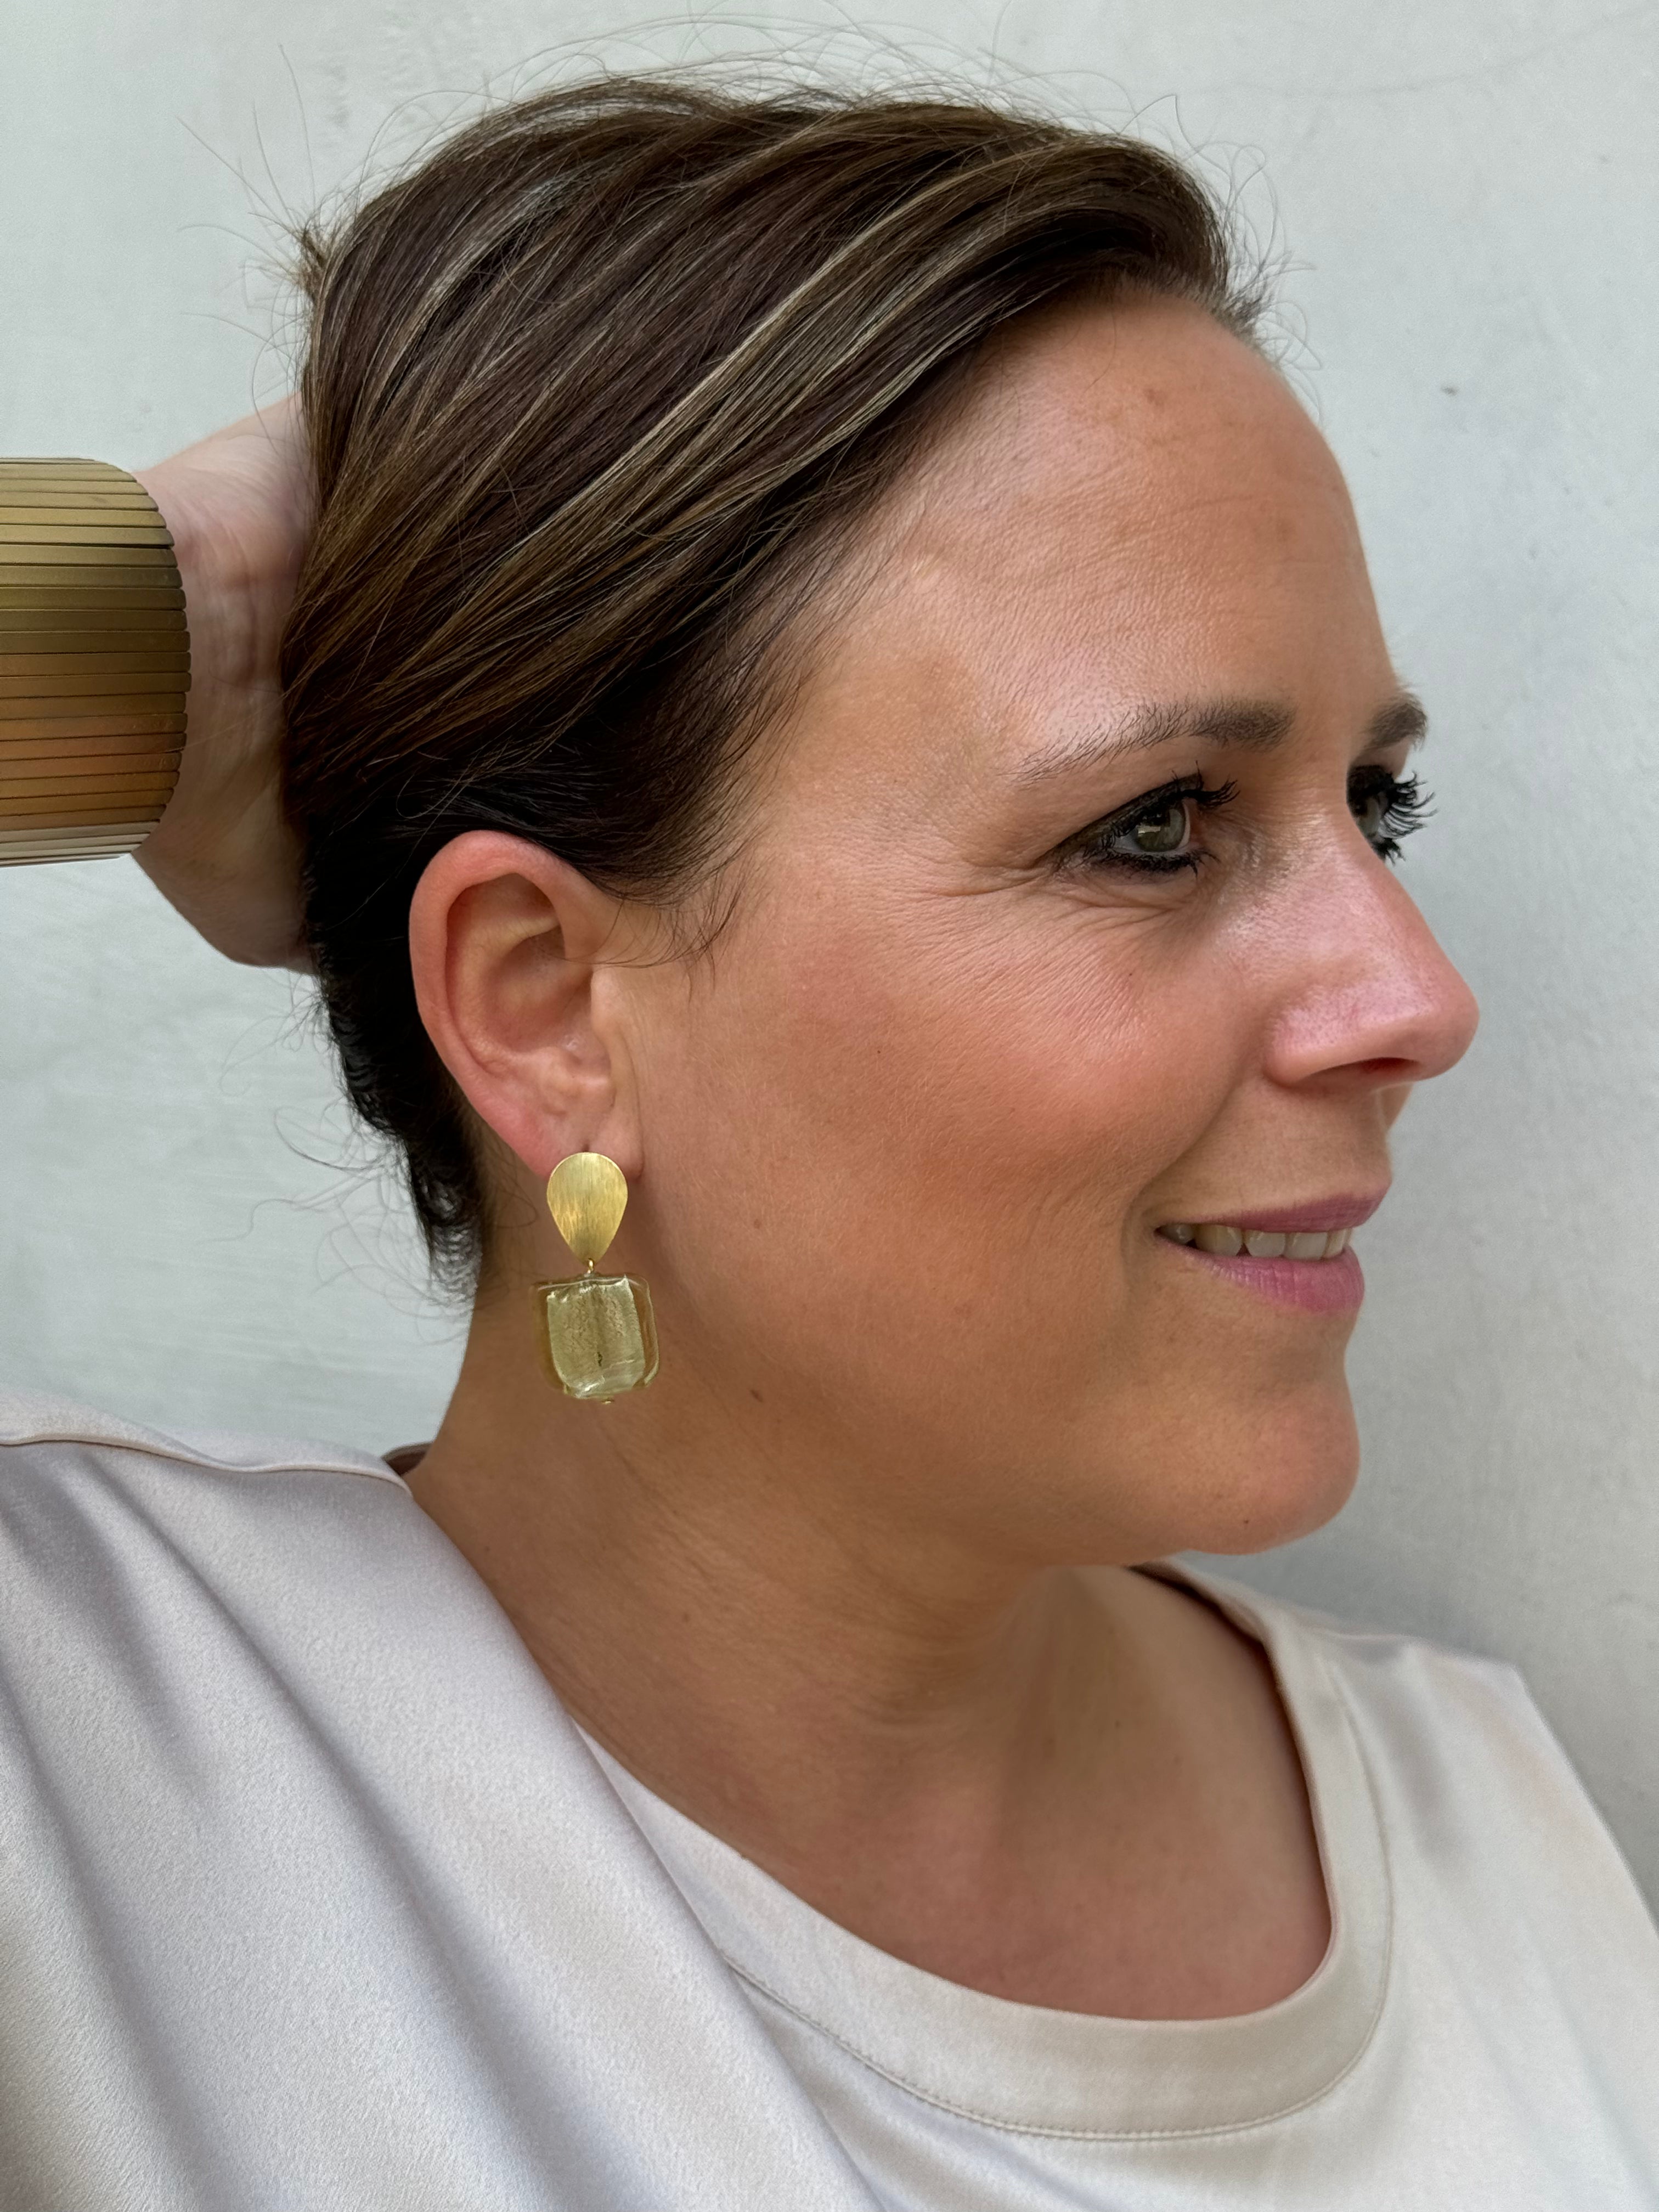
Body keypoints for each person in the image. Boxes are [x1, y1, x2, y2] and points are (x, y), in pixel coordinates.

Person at [2, 75, 1655, 2212]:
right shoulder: (93, 1762)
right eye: (1156, 827)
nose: (1417, 997)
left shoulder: (1489, 1836)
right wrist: (162, 618)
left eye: (1377, 805)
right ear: (546, 1004)